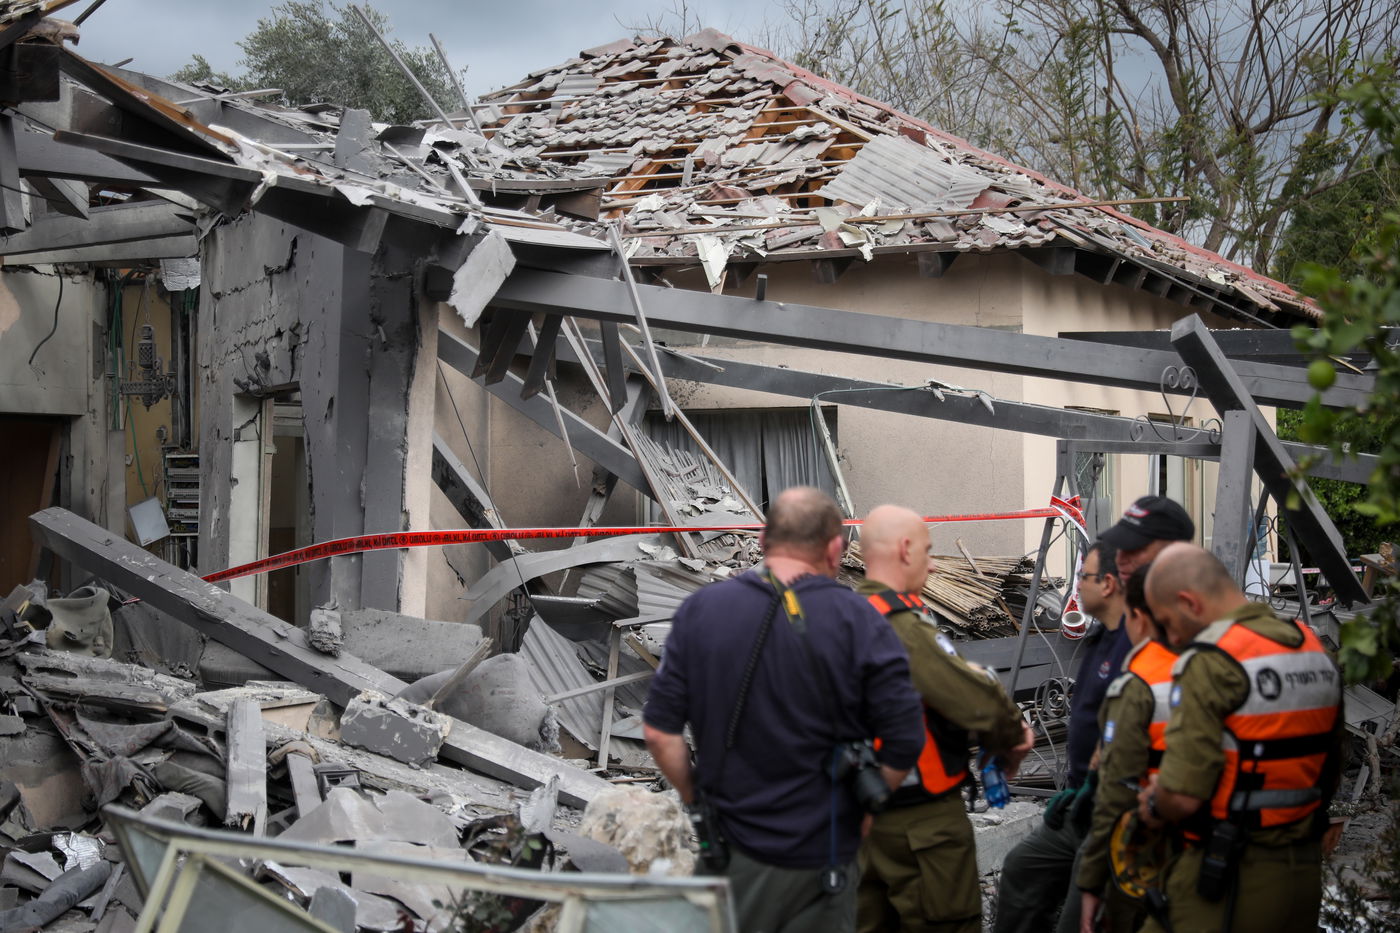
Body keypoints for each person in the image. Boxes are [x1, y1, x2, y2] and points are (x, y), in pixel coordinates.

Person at [643, 487, 926, 933]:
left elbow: (660, 733)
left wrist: (699, 802)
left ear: (762, 539)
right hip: (823, 863)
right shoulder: (862, 620)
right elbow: (906, 738)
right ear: (835, 548)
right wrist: (864, 811)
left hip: (729, 857)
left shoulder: (701, 611)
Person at [995, 496, 1193, 933]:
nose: (1075, 586)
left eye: (1083, 577)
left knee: (1085, 918)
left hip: (1124, 811)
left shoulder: (1161, 640)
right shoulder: (1107, 637)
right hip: (1082, 803)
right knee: (1022, 873)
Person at [1136, 544, 1344, 933]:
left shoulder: (1211, 661)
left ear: (1188, 602)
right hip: (1302, 875)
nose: (1170, 638)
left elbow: (1182, 798)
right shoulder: (1312, 648)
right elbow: (1331, 768)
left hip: (1227, 878)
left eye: (1167, 622)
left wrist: (1153, 800)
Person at [854, 505, 1035, 933]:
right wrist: (1014, 735)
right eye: (927, 550)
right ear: (904, 549)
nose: (932, 563)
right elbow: (975, 702)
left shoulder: (835, 619)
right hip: (919, 823)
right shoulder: (900, 624)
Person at [1076, 566, 1176, 933]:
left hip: (1147, 846)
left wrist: (1091, 881)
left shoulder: (1138, 681)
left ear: (1138, 617)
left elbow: (1116, 792)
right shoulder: (1212, 666)